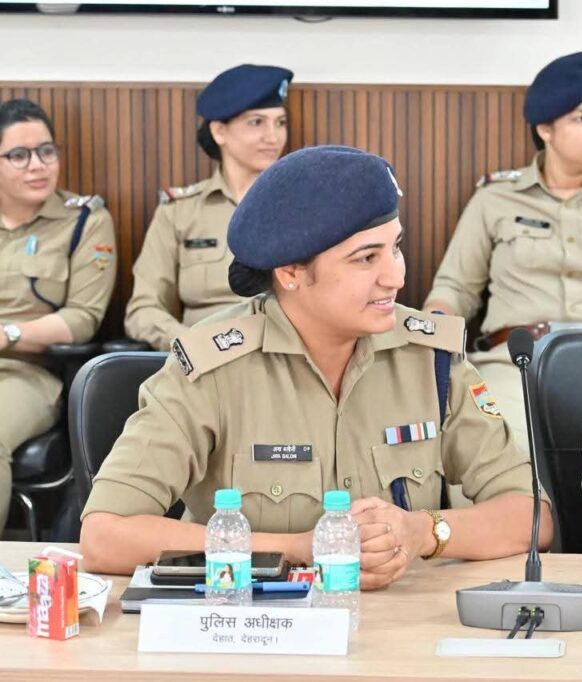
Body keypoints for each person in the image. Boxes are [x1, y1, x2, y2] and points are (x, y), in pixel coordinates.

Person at [80, 146, 553, 587]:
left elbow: (532, 515)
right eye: (366, 258)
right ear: (290, 272)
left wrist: (423, 532)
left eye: (395, 247)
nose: (396, 275)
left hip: (401, 626)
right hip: (251, 627)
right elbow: (105, 535)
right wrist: (296, 550)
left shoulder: (429, 358)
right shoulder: (213, 368)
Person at [423, 51, 582, 449]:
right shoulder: (496, 198)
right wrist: (434, 331)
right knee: (495, 449)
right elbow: (455, 288)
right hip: (515, 363)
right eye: (581, 119)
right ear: (545, 128)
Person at [0, 99, 117, 532]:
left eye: (46, 151)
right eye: (19, 155)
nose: (38, 165)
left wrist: (9, 333)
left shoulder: (83, 220)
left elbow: (82, 318)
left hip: (27, 374)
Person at [123, 64, 292, 351]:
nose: (273, 137)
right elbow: (143, 310)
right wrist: (195, 346)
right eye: (256, 122)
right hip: (200, 360)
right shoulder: (179, 211)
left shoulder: (303, 208)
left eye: (280, 123)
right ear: (219, 132)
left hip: (281, 356)